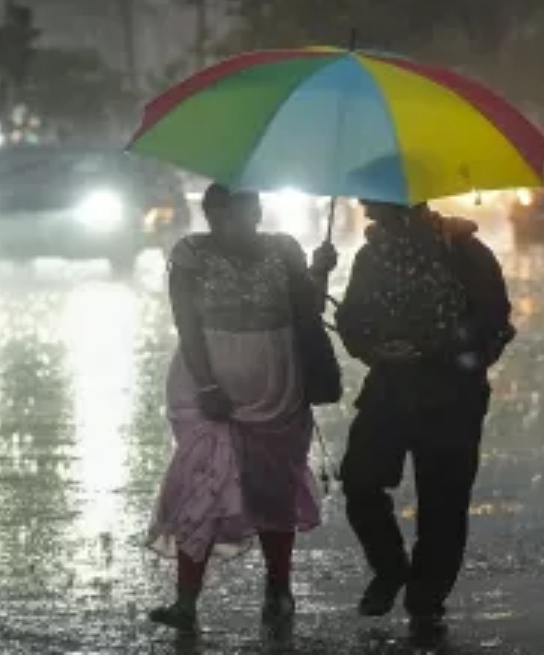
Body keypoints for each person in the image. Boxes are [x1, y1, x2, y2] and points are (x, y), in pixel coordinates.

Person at [146, 184, 338, 631]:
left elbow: (306, 308)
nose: (238, 223)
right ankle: (186, 602)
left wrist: (319, 270)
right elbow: (186, 324)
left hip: (278, 385)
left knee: (274, 487)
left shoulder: (284, 249)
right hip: (206, 384)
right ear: (211, 215)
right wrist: (208, 384)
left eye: (246, 213)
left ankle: (278, 590)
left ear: (258, 212)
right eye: (226, 215)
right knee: (202, 484)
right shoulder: (190, 255)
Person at [335, 201, 515, 646]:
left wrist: (443, 352)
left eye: (372, 203)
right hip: (390, 390)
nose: (365, 208)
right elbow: (356, 320)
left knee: (443, 503)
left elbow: (494, 321)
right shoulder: (372, 256)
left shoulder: (466, 252)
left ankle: (426, 603)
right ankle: (390, 568)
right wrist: (375, 346)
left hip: (453, 397)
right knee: (359, 480)